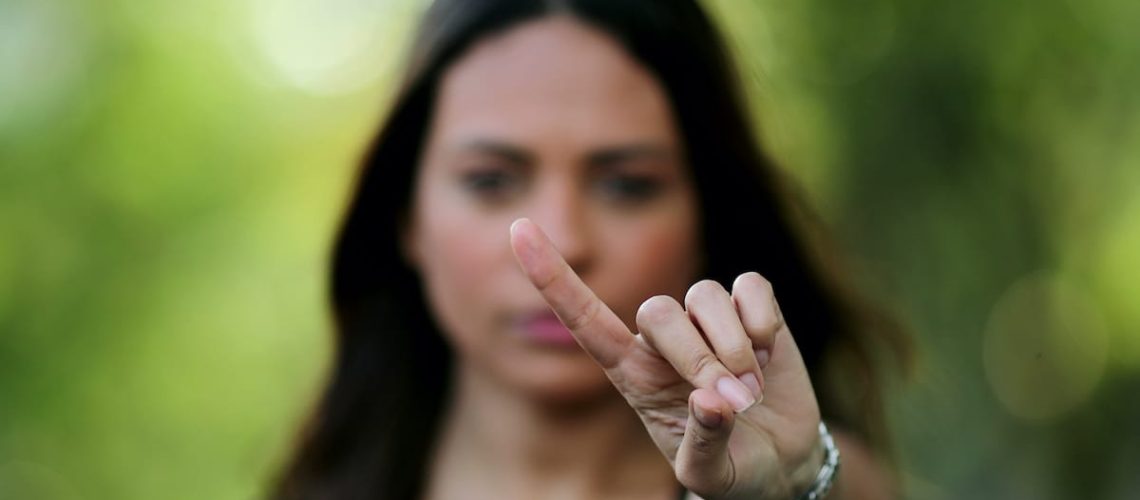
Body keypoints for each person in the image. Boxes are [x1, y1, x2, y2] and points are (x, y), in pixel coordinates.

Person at [273, 0, 908, 498]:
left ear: (708, 215)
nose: (565, 241)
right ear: (405, 217)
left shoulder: (816, 484)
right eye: (490, 181)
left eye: (628, 185)